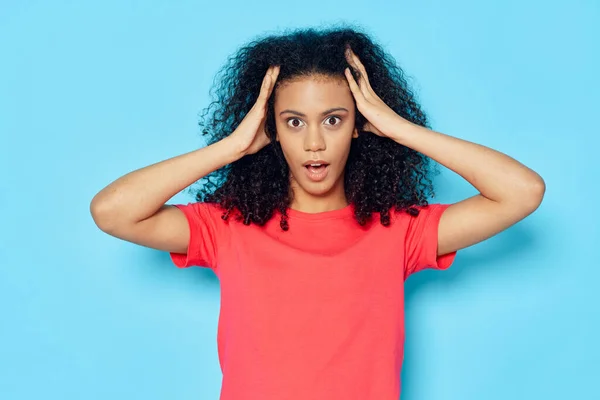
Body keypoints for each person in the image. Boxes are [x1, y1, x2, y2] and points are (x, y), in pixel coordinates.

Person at [90, 26, 545, 400]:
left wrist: (399, 128)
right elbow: (113, 212)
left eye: (333, 120)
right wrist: (231, 147)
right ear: (271, 129)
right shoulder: (227, 228)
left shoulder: (399, 231)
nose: (314, 143)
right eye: (293, 122)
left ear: (358, 125)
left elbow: (522, 192)